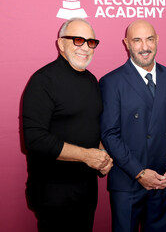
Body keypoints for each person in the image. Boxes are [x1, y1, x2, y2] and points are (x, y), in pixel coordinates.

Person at [22, 18, 113, 232]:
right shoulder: (43, 81)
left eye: (91, 42)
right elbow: (34, 139)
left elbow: (90, 126)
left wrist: (102, 154)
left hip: (86, 188)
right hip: (53, 191)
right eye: (78, 40)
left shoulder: (92, 80)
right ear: (61, 44)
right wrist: (86, 155)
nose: (85, 48)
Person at [99, 20, 166, 232]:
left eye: (149, 39)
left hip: (162, 178)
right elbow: (110, 134)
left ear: (157, 40)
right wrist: (139, 173)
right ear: (126, 43)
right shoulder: (111, 82)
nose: (144, 46)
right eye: (137, 40)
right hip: (128, 180)